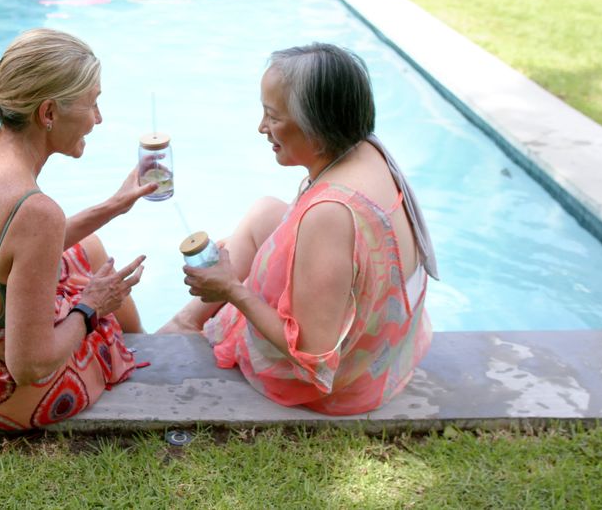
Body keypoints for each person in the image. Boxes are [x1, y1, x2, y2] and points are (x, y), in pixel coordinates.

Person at [160, 43, 440, 415]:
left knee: (250, 253)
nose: (262, 128)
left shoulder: (331, 213)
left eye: (272, 117)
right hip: (384, 353)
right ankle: (185, 322)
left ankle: (183, 325)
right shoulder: (367, 151)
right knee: (264, 214)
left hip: (340, 384)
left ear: (316, 124)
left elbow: (313, 356)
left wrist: (231, 289)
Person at [0, 28, 158, 430]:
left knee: (87, 247)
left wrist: (114, 205)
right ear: (48, 114)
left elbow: (5, 249)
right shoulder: (35, 212)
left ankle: (139, 329)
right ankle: (143, 338)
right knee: (97, 297)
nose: (98, 119)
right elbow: (30, 365)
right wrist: (90, 306)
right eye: (93, 104)